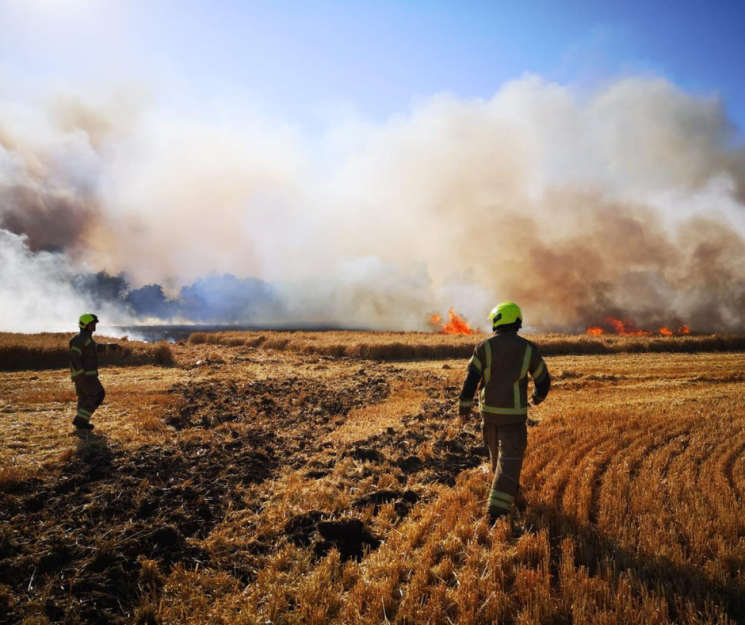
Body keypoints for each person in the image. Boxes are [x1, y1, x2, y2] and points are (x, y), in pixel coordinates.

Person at [458, 302, 551, 524]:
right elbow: (544, 380)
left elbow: (471, 380)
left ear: (498, 321)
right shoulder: (528, 349)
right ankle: (496, 513)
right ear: (517, 321)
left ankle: (512, 490)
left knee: (497, 458)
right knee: (509, 459)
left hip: (488, 414)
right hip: (513, 416)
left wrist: (464, 409)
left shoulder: (484, 347)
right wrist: (536, 398)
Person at [69, 313, 121, 430]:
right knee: (98, 394)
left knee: (84, 398)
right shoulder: (80, 339)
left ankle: (81, 424)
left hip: (84, 375)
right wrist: (81, 373)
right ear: (84, 325)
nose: (94, 326)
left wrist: (111, 346)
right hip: (85, 375)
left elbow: (96, 348)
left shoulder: (86, 338)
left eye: (94, 324)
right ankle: (80, 420)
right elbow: (74, 356)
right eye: (91, 324)